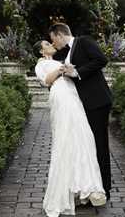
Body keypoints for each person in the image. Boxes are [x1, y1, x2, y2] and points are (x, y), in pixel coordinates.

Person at [34, 40, 106, 217]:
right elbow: (46, 81)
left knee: (83, 138)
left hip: (74, 95)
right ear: (41, 51)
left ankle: (84, 187)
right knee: (66, 138)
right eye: (46, 43)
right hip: (61, 96)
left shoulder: (60, 58)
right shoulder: (41, 64)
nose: (50, 44)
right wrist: (60, 70)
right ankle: (69, 189)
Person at [49, 23, 112, 200]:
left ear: (60, 34)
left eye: (54, 39)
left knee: (99, 145)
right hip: (85, 104)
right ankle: (93, 187)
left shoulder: (83, 41)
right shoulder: (66, 52)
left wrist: (77, 72)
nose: (54, 44)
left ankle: (104, 189)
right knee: (89, 145)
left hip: (97, 101)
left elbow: (101, 60)